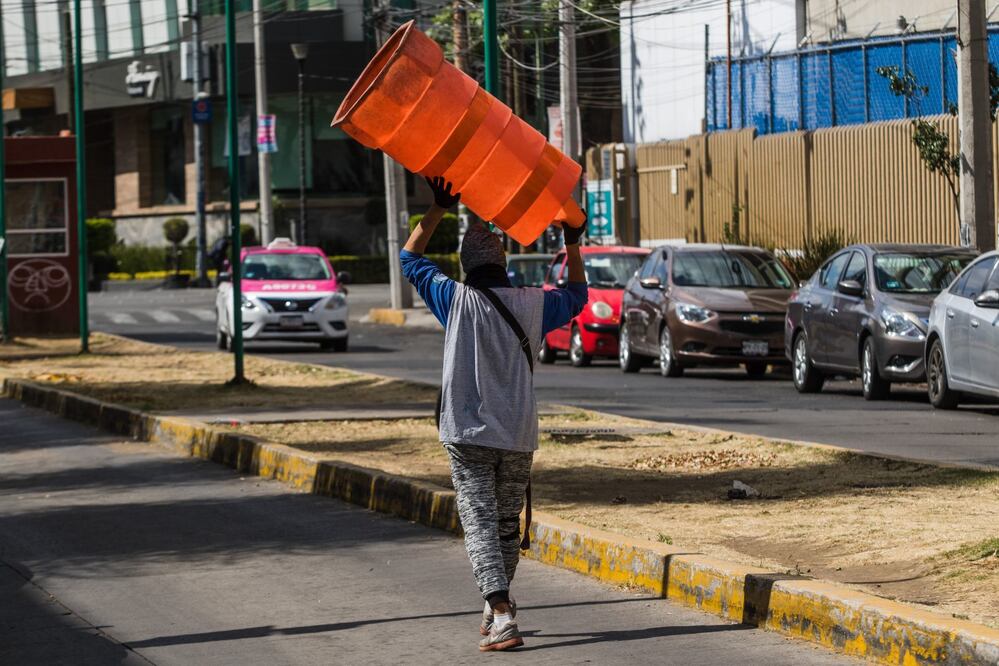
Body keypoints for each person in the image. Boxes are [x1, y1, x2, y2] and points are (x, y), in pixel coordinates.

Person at [400, 176, 588, 652]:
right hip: (517, 434)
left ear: (467, 266)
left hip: (467, 434)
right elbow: (577, 294)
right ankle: (496, 604)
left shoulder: (454, 299)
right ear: (502, 262)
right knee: (505, 524)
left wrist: (438, 208)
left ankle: (502, 612)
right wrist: (571, 240)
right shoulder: (533, 304)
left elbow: (409, 259)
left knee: (480, 521)